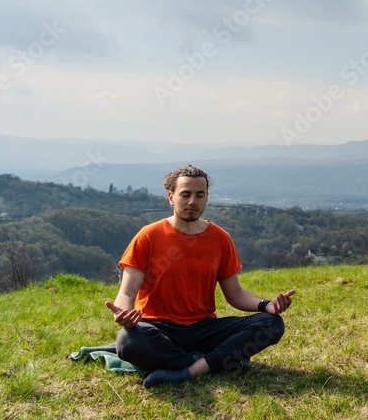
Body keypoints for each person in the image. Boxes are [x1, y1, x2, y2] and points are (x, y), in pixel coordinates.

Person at [106, 165, 296, 388]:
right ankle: (209, 361)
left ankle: (187, 371)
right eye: (185, 195)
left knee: (272, 324)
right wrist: (123, 313)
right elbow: (127, 293)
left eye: (199, 195)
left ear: (207, 198)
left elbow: (235, 294)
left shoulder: (220, 238)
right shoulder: (148, 236)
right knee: (128, 341)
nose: (192, 202)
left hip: (204, 329)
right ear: (171, 197)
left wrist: (266, 306)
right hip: (158, 328)